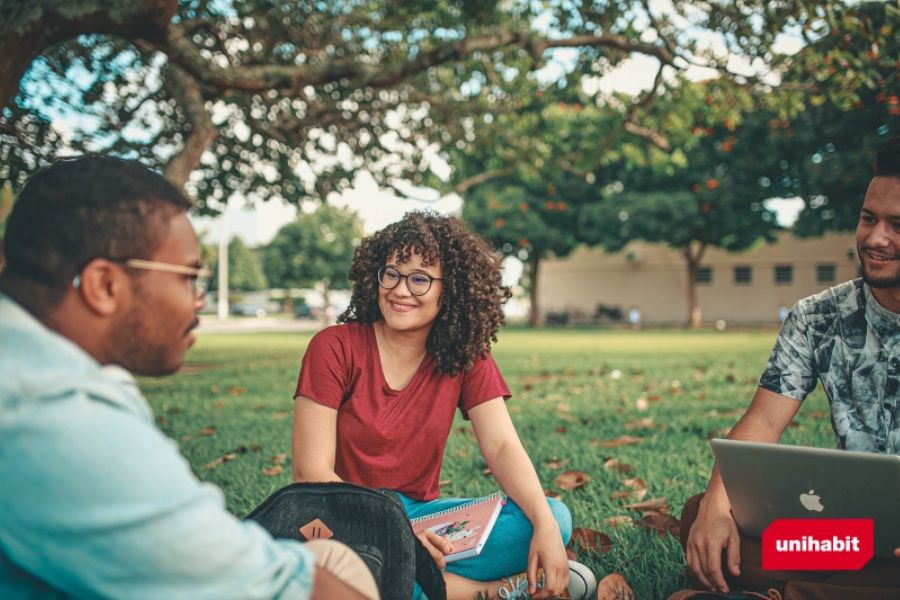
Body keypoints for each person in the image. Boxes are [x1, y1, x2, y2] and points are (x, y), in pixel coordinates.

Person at [0, 156, 378, 600]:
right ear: (105, 285)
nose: (198, 300)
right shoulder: (54, 417)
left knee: (333, 558)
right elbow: (286, 589)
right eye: (188, 277)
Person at [291, 212, 597, 600]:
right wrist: (400, 536)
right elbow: (310, 472)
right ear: (376, 277)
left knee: (552, 515)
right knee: (343, 568)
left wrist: (545, 528)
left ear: (449, 290)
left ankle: (408, 582)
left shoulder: (465, 356)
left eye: (420, 278)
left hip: (422, 519)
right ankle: (488, 592)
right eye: (392, 273)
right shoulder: (333, 347)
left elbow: (501, 445)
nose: (401, 290)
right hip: (343, 519)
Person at [676, 137, 900, 600]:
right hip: (853, 540)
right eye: (868, 218)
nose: (875, 238)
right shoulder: (819, 317)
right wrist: (718, 507)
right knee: (705, 521)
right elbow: (762, 420)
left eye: (897, 225)